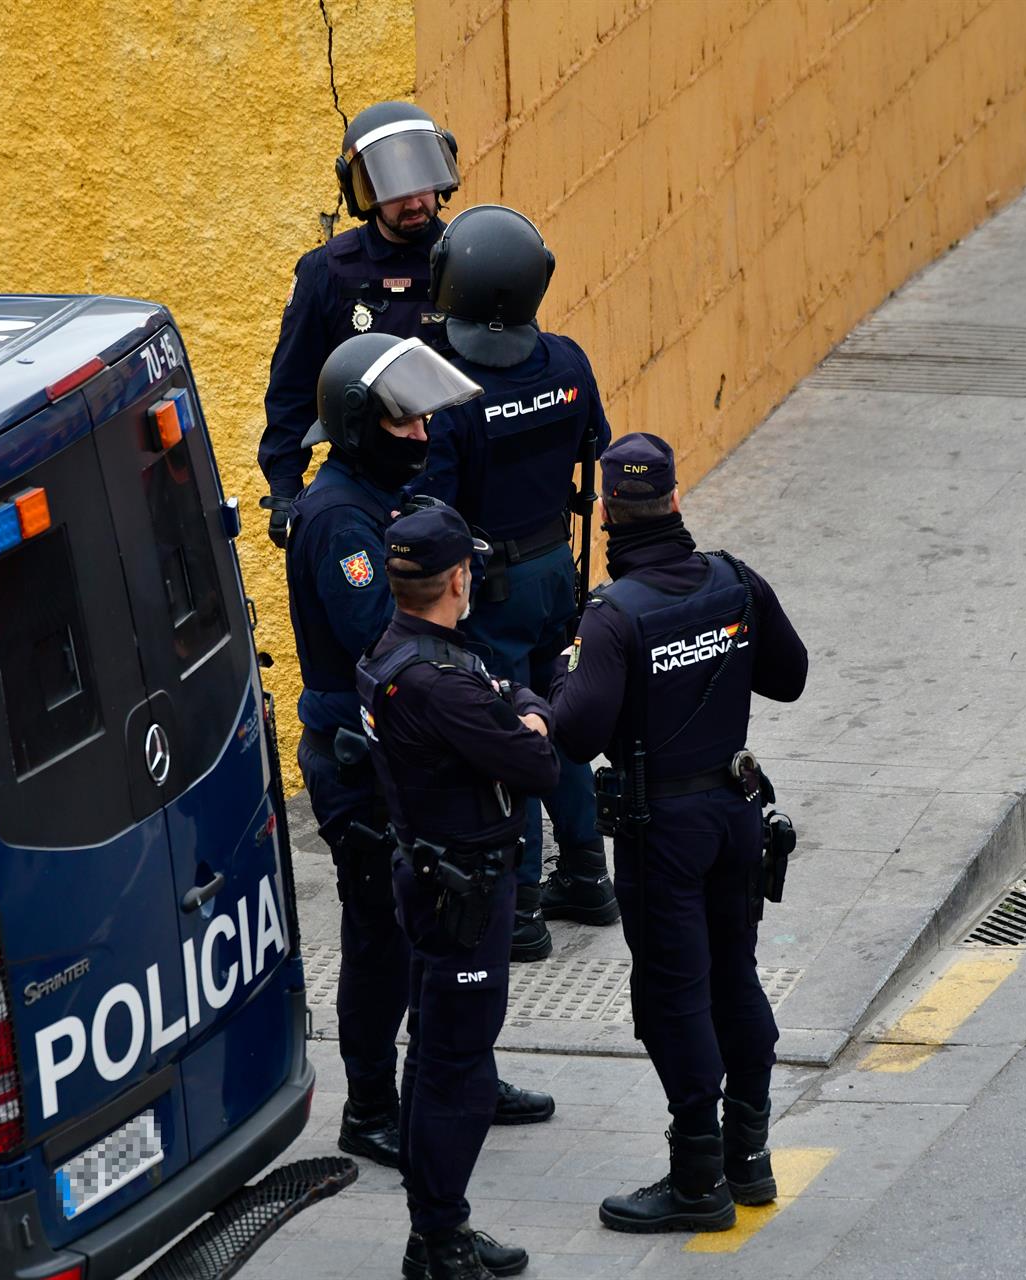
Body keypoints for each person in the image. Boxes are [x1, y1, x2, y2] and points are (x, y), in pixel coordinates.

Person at [286, 332, 554, 1171]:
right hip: (363, 762)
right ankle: (370, 1106)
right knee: (381, 938)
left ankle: (462, 1067)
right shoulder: (340, 520)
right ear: (363, 425)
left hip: (408, 752)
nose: (422, 435)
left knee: (446, 930)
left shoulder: (383, 500)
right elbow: (389, 646)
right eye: (404, 423)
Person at [549, 432, 809, 1234]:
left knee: (674, 995)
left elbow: (575, 733)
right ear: (674, 501)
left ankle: (699, 1178)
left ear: (613, 516)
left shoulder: (614, 615)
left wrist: (565, 673)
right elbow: (790, 677)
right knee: (736, 973)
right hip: (737, 817)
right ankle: (750, 1158)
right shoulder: (734, 582)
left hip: (663, 832)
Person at [356, 503, 561, 1280]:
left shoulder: (399, 651)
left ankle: (437, 1228)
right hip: (463, 892)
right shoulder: (442, 685)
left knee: (434, 1056)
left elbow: (498, 690)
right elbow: (538, 762)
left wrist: (514, 707)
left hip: (434, 878)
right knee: (457, 1069)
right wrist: (533, 713)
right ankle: (439, 1241)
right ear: (457, 579)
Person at [411, 203, 619, 963]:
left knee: (507, 734)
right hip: (554, 573)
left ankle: (523, 907)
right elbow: (593, 443)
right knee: (556, 719)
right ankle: (589, 874)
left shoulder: (448, 390)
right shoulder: (568, 362)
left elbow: (432, 506)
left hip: (487, 586)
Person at [260, 101, 462, 547]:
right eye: (394, 189)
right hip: (366, 486)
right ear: (362, 192)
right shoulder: (327, 272)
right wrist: (284, 488)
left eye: (423, 184)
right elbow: (292, 389)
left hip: (456, 476)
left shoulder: (468, 258)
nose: (413, 201)